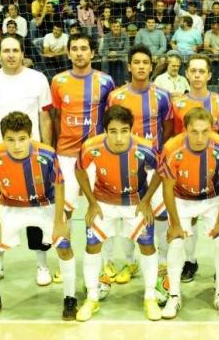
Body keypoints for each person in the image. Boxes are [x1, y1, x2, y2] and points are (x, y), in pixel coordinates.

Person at [0, 111, 75, 323]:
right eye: (10, 140)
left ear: (31, 136)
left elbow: (59, 184)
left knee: (64, 246)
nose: (16, 145)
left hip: (45, 203)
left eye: (22, 139)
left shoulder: (47, 154)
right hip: (10, 205)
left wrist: (58, 222)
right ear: (3, 139)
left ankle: (70, 298)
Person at [0, 35, 56, 288]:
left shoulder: (38, 79)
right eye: (6, 50)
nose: (10, 55)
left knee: (36, 211)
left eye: (15, 50)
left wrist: (48, 155)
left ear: (23, 53)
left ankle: (42, 265)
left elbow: (45, 120)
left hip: (31, 158)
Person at [75, 105, 162, 321]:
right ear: (105, 131)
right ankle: (92, 298)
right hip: (103, 202)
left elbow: (161, 172)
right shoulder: (90, 147)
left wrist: (147, 200)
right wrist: (91, 202)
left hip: (135, 203)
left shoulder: (146, 148)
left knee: (148, 246)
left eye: (124, 130)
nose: (119, 137)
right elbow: (79, 170)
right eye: (113, 131)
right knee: (92, 245)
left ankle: (150, 296)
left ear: (131, 130)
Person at [50, 32, 115, 285]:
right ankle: (64, 261)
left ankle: (105, 263)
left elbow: (110, 117)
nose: (79, 52)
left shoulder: (105, 81)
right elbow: (56, 116)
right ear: (68, 53)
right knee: (64, 211)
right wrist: (56, 148)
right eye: (74, 48)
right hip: (66, 156)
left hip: (96, 156)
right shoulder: (58, 81)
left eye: (83, 48)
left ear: (92, 52)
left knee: (103, 210)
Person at [159, 107, 219, 319]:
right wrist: (174, 224)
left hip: (213, 199)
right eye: (194, 132)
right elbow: (167, 188)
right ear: (185, 130)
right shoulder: (172, 148)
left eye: (205, 131)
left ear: (212, 130)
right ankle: (174, 296)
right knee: (175, 243)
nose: (200, 138)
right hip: (182, 199)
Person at [107, 44, 174, 280]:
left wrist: (156, 154)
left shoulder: (163, 96)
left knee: (161, 215)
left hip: (154, 166)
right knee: (128, 214)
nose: (141, 66)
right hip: (125, 166)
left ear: (151, 66)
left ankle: (163, 261)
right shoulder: (116, 96)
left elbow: (167, 128)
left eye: (145, 63)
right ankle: (130, 261)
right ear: (129, 66)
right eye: (136, 62)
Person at [99, 20, 130, 84]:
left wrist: (116, 53)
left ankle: (127, 80)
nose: (116, 28)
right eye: (114, 26)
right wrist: (109, 53)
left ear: (120, 27)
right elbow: (105, 49)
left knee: (126, 59)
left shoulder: (125, 35)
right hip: (109, 55)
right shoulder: (106, 36)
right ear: (111, 27)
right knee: (104, 59)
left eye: (118, 26)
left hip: (121, 54)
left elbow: (127, 49)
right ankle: (105, 80)